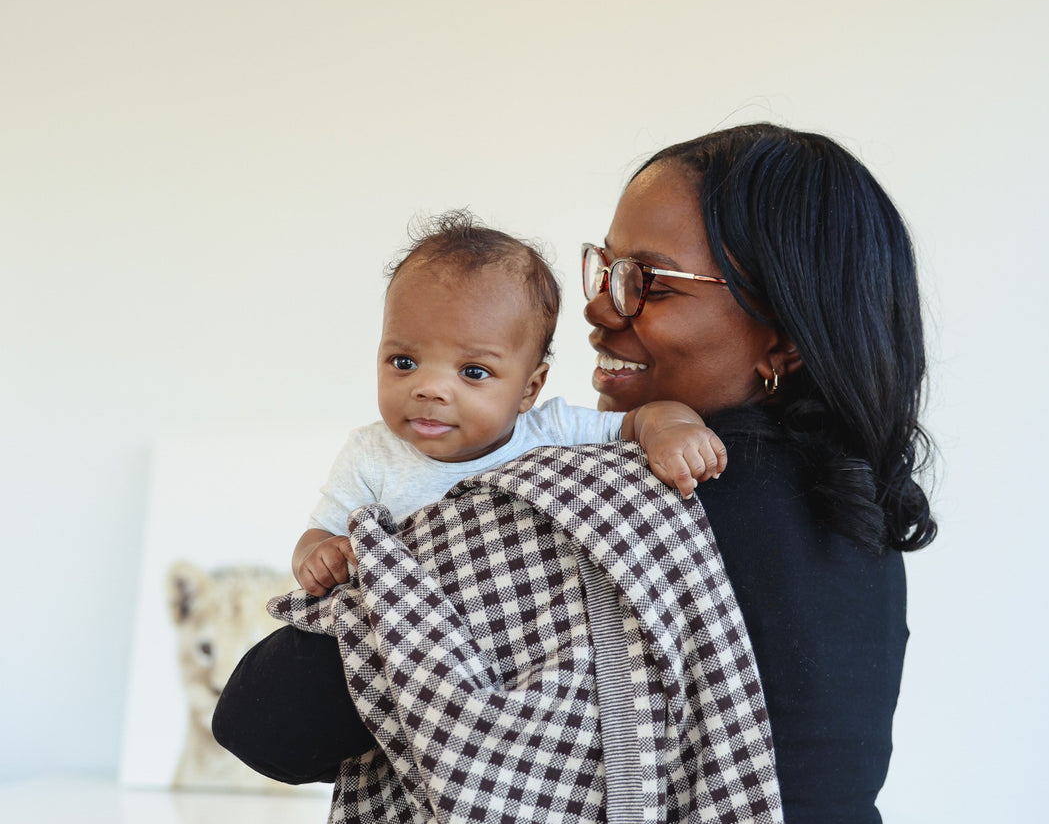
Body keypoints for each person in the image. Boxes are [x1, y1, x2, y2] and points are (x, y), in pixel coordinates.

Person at [214, 122, 936, 824]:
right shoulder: (858, 513)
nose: (600, 308)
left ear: (783, 338)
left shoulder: (578, 509)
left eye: (651, 283)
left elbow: (261, 721)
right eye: (607, 269)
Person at [293, 210, 728, 597]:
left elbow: (642, 420)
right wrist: (320, 556)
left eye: (473, 372)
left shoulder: (553, 431)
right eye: (404, 362)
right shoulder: (372, 456)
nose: (429, 389)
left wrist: (671, 431)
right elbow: (317, 537)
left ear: (529, 389)